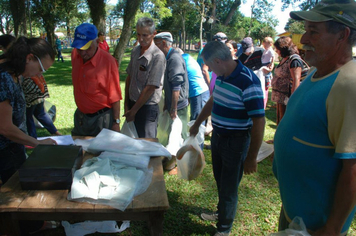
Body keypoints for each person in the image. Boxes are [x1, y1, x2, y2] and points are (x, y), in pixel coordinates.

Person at [273, 0, 356, 235]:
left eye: (313, 32)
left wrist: (332, 229)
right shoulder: (317, 73)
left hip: (317, 228)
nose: (304, 40)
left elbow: (353, 166)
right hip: (296, 215)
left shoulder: (349, 85)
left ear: (342, 35)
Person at [189, 41, 265, 236]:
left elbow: (259, 121)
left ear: (217, 61)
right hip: (219, 138)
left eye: (209, 65)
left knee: (229, 186)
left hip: (236, 142)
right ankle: (222, 213)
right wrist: (198, 124)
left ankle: (224, 229)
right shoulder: (221, 75)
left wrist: (251, 157)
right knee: (220, 180)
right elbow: (214, 99)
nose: (209, 70)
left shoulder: (248, 81)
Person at [0, 37, 57, 184]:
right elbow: (5, 128)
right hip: (4, 155)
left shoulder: (17, 76)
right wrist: (37, 143)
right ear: (29, 58)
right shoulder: (3, 79)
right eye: (41, 69)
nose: (40, 75)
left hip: (14, 150)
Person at [71, 23, 122, 136]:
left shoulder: (108, 61)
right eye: (79, 49)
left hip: (101, 119)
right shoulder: (75, 55)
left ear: (97, 42)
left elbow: (115, 95)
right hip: (81, 117)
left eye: (87, 48)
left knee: (102, 153)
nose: (83, 53)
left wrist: (116, 122)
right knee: (80, 151)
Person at [124, 17, 165, 138]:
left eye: (145, 35)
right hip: (132, 106)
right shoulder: (135, 51)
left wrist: (134, 111)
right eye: (138, 34)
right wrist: (126, 104)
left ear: (154, 34)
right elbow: (129, 78)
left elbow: (150, 88)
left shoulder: (158, 56)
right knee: (130, 146)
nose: (140, 39)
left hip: (147, 109)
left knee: (146, 147)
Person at [154, 32, 189, 171]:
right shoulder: (168, 57)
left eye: (156, 44)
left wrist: (173, 108)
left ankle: (176, 163)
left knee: (178, 134)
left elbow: (176, 87)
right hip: (173, 104)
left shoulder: (174, 58)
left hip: (179, 105)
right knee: (171, 133)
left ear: (163, 43)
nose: (154, 47)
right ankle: (170, 160)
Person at [271, 36, 302, 125]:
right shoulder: (284, 59)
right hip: (280, 96)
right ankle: (277, 138)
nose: (276, 51)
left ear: (283, 48)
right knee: (280, 119)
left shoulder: (294, 60)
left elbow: (296, 79)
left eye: (277, 49)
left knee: (285, 121)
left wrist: (293, 99)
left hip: (287, 97)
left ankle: (282, 139)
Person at [181, 53, 210, 150]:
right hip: (199, 92)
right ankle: (195, 148)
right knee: (196, 121)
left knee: (197, 122)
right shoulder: (187, 57)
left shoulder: (181, 60)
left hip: (198, 93)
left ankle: (197, 151)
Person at [22, 74, 61, 139]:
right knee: (40, 113)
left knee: (28, 116)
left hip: (31, 87)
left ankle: (32, 139)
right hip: (38, 85)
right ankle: (55, 132)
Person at [261, 37, 275, 109]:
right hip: (263, 67)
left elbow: (273, 57)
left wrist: (271, 64)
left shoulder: (270, 50)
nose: (265, 46)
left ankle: (264, 105)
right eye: (264, 45)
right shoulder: (265, 50)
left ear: (270, 44)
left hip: (266, 66)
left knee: (265, 88)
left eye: (266, 45)